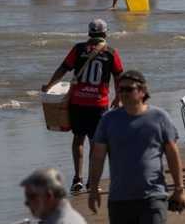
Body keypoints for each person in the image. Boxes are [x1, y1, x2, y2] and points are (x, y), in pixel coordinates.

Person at [88, 71, 185, 222]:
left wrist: (179, 189)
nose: (123, 93)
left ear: (142, 91)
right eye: (120, 89)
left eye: (129, 89)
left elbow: (173, 154)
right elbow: (97, 157)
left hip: (153, 196)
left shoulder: (159, 117)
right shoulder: (108, 120)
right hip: (119, 199)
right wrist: (94, 189)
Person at [41, 19, 124, 193]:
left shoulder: (78, 49)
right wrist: (119, 97)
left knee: (78, 139)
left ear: (89, 33)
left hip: (78, 102)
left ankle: (77, 179)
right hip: (98, 104)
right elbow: (119, 76)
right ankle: (92, 182)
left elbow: (63, 69)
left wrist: (49, 85)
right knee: (96, 143)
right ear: (105, 34)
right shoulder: (110, 52)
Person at [20, 168, 87, 224]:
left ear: (49, 196)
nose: (26, 203)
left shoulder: (62, 221)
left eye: (32, 197)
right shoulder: (70, 215)